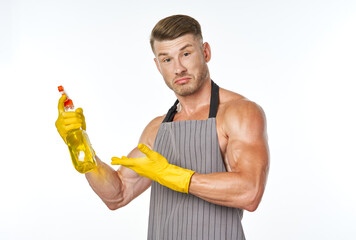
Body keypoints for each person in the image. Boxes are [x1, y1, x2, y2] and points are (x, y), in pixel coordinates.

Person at [56, 14, 269, 240]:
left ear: (205, 52)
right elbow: (118, 194)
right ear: (158, 66)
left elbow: (250, 192)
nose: (178, 68)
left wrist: (175, 176)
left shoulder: (238, 113)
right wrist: (80, 146)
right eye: (167, 59)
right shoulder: (157, 129)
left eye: (185, 54)